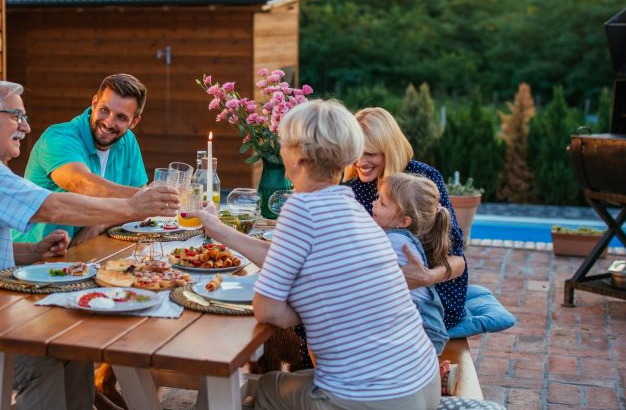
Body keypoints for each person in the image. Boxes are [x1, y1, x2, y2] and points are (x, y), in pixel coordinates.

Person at [0, 80, 179, 409]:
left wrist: (32, 251)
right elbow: (55, 205)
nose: (26, 127)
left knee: (73, 354)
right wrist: (134, 206)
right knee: (41, 367)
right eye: (16, 116)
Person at [190, 100, 440, 409]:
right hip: (421, 380)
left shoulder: (301, 208)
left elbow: (267, 310)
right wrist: (219, 230)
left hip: (372, 397)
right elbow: (283, 257)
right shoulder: (354, 208)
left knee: (265, 387)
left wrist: (301, 308)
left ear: (297, 155)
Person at [345, 107, 468, 330]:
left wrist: (425, 277)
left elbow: (458, 261)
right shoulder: (352, 188)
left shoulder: (422, 178)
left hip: (432, 299)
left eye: (370, 153)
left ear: (388, 149)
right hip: (382, 290)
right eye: (356, 152)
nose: (361, 161)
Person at [14, 73, 150, 246]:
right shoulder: (58, 138)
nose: (108, 122)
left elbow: (138, 211)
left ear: (134, 121)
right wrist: (143, 197)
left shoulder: (127, 141)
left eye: (121, 117)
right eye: (104, 110)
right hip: (34, 257)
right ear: (94, 103)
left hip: (85, 252)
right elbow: (81, 183)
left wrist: (99, 224)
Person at [371, 173, 450, 354]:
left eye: (382, 203)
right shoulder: (399, 236)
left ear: (404, 221)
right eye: (378, 198)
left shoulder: (397, 242)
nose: (374, 203)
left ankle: (437, 372)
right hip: (421, 323)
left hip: (422, 328)